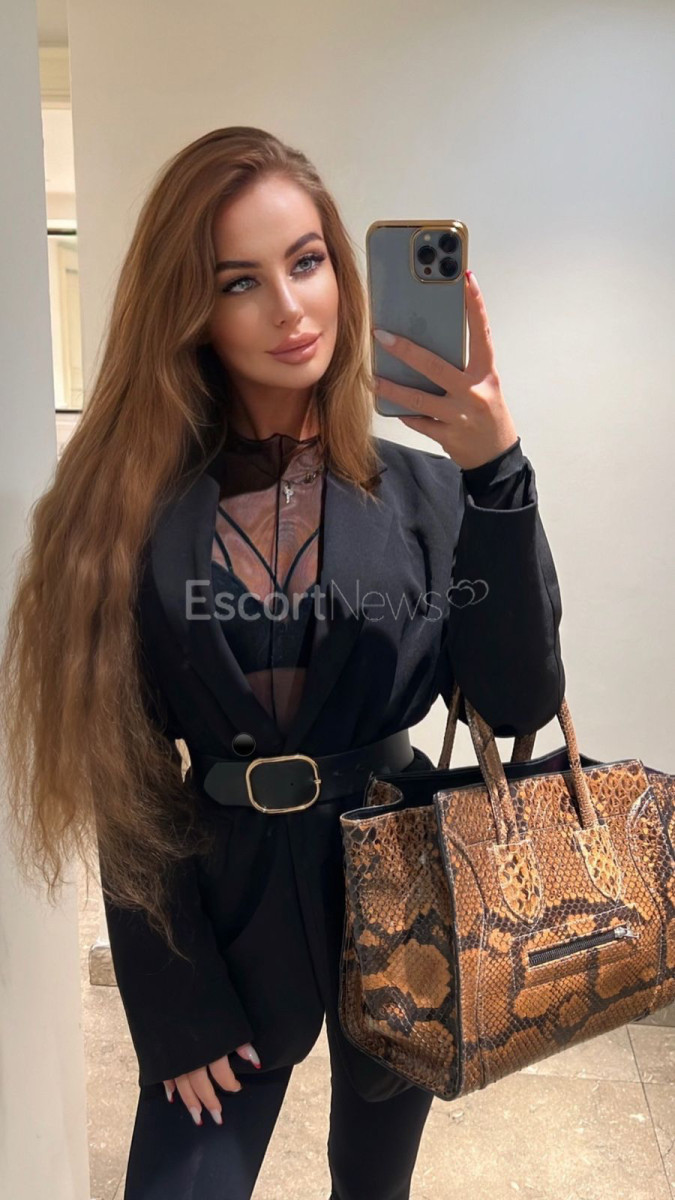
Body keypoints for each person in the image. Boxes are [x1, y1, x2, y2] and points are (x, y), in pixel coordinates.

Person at [1, 126, 565, 1199]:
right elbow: (123, 782)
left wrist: (496, 473)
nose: (290, 308)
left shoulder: (426, 495)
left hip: (401, 894)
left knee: (372, 1181)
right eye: (239, 281)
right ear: (191, 310)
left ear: (343, 274)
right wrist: (171, 1002)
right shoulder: (123, 515)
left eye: (306, 263)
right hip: (216, 907)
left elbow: (517, 700)